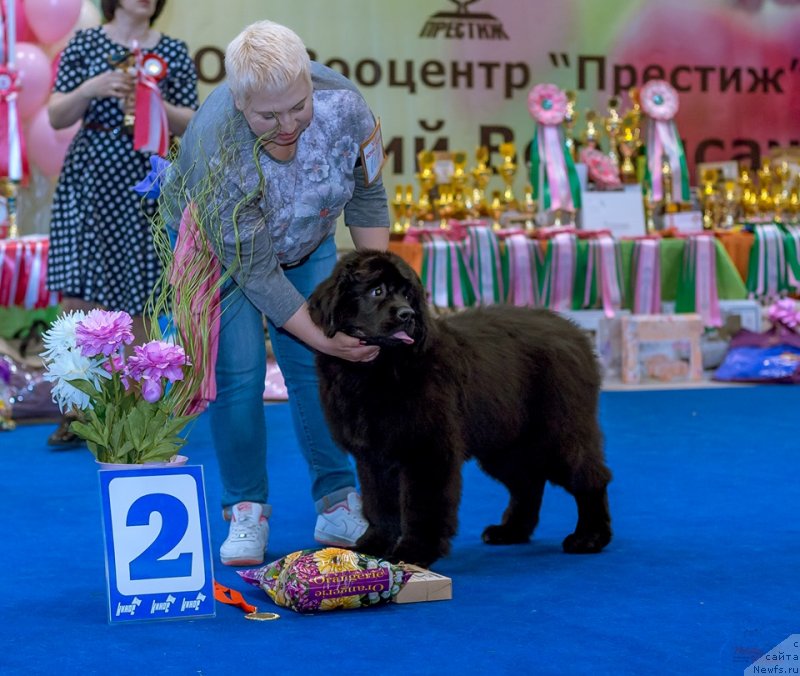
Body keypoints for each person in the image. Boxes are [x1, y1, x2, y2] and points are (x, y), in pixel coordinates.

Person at [159, 20, 390, 567]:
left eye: (298, 107)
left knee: (316, 367)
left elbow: (368, 194)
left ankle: (338, 500)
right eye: (268, 116)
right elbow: (259, 274)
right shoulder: (216, 146)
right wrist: (326, 338)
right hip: (223, 254)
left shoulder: (345, 105)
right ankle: (245, 507)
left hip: (308, 236)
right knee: (239, 374)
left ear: (310, 82)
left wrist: (373, 290)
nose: (288, 125)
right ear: (239, 101)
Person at [45, 0, 198, 446]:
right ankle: (75, 407)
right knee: (78, 289)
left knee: (142, 295)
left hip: (147, 182)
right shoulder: (85, 42)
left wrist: (154, 103)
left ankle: (136, 406)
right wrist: (91, 88)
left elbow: (192, 121)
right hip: (89, 179)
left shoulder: (173, 50)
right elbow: (56, 114)